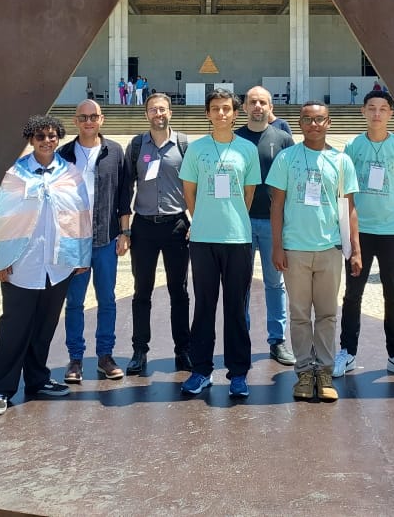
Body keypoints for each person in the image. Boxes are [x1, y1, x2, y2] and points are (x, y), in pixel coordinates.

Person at [0, 115, 92, 416]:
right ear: (31, 140)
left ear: (59, 139)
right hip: (22, 264)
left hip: (58, 265)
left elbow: (82, 214)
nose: (47, 141)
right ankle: (1, 390)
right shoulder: (14, 175)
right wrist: (0, 260)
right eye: (40, 136)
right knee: (14, 330)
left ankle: (37, 380)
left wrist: (81, 258)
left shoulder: (71, 174)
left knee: (44, 328)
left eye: (52, 136)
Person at [267, 101, 361, 403]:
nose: (314, 125)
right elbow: (277, 205)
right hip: (295, 249)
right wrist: (277, 246)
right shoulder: (286, 158)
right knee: (298, 314)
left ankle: (324, 371)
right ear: (300, 124)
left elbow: (349, 208)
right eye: (307, 120)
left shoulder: (342, 161)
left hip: (329, 248)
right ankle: (304, 372)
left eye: (319, 119)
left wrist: (354, 249)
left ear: (329, 123)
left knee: (327, 314)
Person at [334, 92, 394, 382]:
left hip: (391, 231)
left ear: (390, 114)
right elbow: (344, 189)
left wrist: (386, 208)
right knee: (353, 294)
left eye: (383, 109)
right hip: (359, 232)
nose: (377, 113)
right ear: (363, 111)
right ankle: (347, 352)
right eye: (372, 108)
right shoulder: (353, 145)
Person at [178, 90, 261, 398]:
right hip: (202, 240)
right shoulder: (197, 149)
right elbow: (190, 192)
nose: (222, 113)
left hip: (238, 238)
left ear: (235, 113)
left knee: (236, 309)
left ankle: (238, 373)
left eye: (227, 108)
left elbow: (248, 195)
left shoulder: (246, 150)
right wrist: (204, 220)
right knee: (204, 307)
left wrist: (232, 219)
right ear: (208, 114)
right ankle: (201, 371)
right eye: (216, 109)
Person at [59, 101, 131, 383]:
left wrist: (125, 233)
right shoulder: (63, 153)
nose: (88, 121)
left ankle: (105, 355)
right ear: (76, 121)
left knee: (107, 299)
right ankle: (75, 359)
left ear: (101, 119)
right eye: (83, 117)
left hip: (106, 238)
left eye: (93, 117)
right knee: (74, 301)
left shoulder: (114, 152)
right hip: (74, 241)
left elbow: (125, 193)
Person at [121, 92, 192, 375]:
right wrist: (125, 230)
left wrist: (195, 221)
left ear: (170, 113)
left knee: (180, 291)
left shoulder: (184, 145)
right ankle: (140, 350)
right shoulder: (137, 146)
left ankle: (183, 350)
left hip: (176, 226)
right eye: (153, 110)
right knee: (142, 291)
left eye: (162, 109)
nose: (158, 114)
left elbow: (194, 186)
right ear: (146, 114)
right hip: (144, 227)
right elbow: (126, 188)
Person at [235, 86, 296, 366]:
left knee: (275, 283)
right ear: (244, 107)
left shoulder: (283, 139)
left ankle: (278, 340)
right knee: (241, 284)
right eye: (252, 102)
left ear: (270, 106)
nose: (257, 106)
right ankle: (240, 338)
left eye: (262, 102)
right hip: (242, 223)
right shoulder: (235, 139)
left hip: (273, 224)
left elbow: (293, 181)